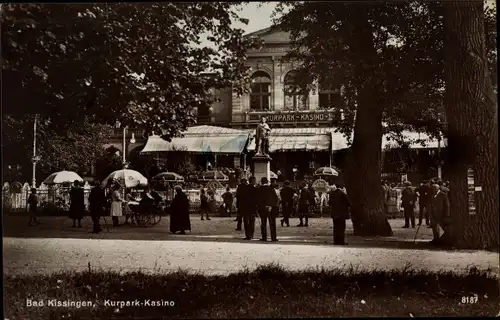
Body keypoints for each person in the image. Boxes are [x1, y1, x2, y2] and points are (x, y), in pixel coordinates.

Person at [257, 177, 279, 242]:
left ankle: (264, 237)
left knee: (263, 223)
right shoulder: (271, 189)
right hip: (271, 208)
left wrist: (262, 206)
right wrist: (272, 206)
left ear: (261, 182)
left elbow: (257, 199)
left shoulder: (259, 189)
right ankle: (273, 237)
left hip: (262, 208)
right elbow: (275, 198)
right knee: (272, 223)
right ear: (267, 181)